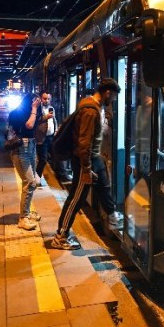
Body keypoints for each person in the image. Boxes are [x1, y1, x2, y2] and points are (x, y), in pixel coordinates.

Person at [52, 78, 123, 250]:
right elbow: (84, 143)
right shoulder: (90, 111)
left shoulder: (94, 106)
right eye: (113, 96)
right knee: (76, 199)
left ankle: (112, 216)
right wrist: (86, 169)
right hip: (85, 160)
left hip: (94, 158)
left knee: (104, 186)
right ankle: (60, 236)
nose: (113, 100)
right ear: (107, 93)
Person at [8, 93, 42, 230]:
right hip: (22, 148)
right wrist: (34, 108)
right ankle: (23, 218)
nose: (37, 103)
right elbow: (29, 125)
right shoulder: (20, 113)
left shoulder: (32, 111)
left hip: (31, 146)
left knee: (32, 182)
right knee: (30, 183)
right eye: (35, 101)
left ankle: (26, 212)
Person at [35, 91, 57, 187]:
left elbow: (54, 120)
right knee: (43, 159)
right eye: (45, 98)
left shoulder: (51, 108)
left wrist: (56, 130)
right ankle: (37, 178)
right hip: (42, 138)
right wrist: (45, 117)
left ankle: (60, 174)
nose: (47, 100)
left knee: (55, 155)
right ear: (40, 98)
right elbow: (36, 120)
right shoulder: (37, 108)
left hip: (51, 137)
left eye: (48, 99)